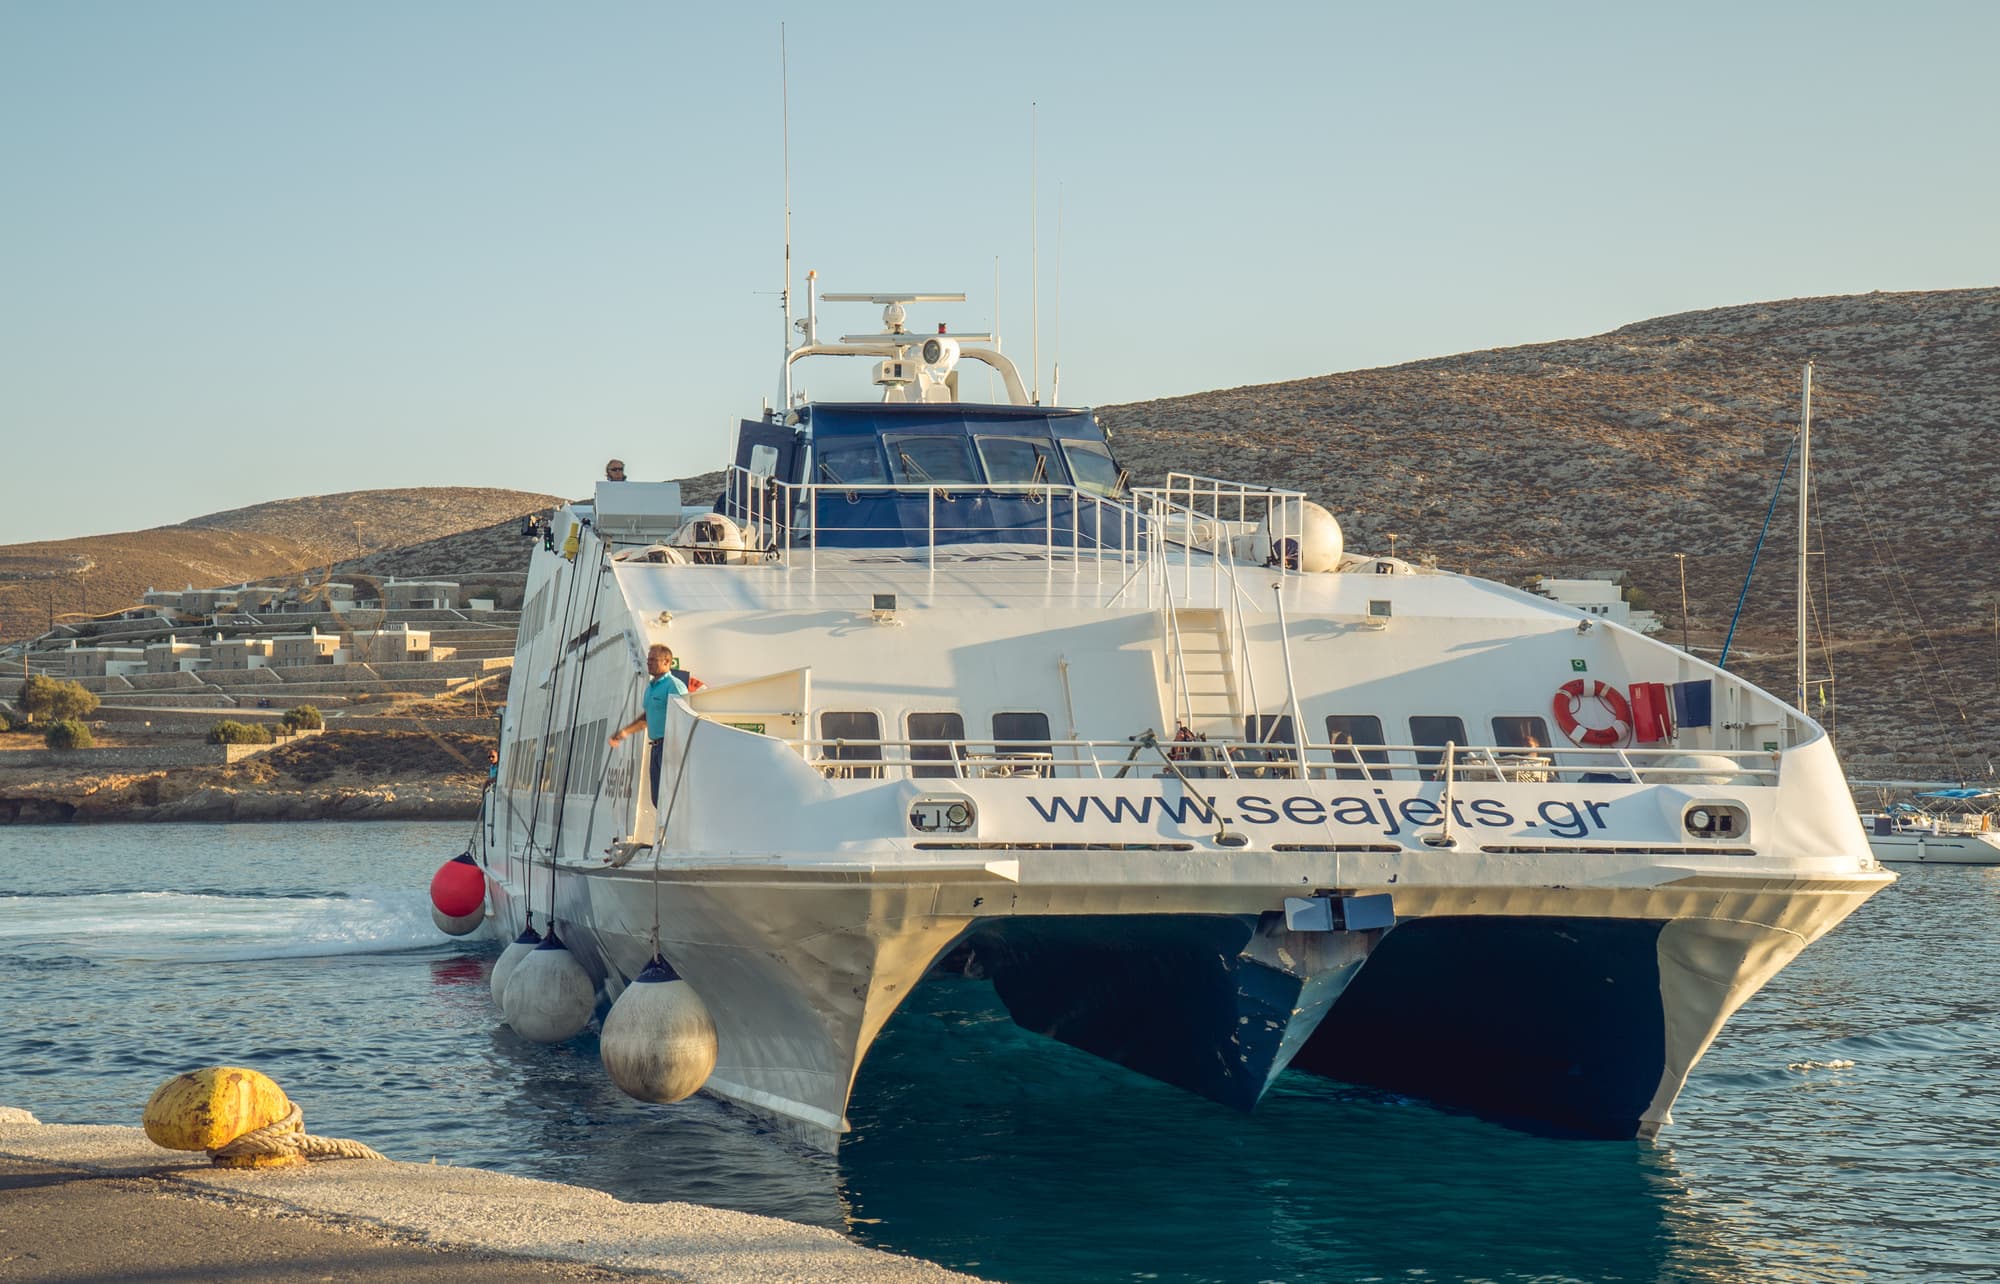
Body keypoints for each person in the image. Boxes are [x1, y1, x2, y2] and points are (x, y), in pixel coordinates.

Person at [609, 644, 688, 805]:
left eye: (653, 660)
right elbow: (648, 717)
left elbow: (685, 715)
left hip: (670, 746)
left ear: (667, 662)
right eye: (648, 659)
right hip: (657, 746)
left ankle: (668, 829)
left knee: (668, 797)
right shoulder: (651, 687)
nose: (649, 663)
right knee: (656, 797)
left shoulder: (674, 686)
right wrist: (625, 732)